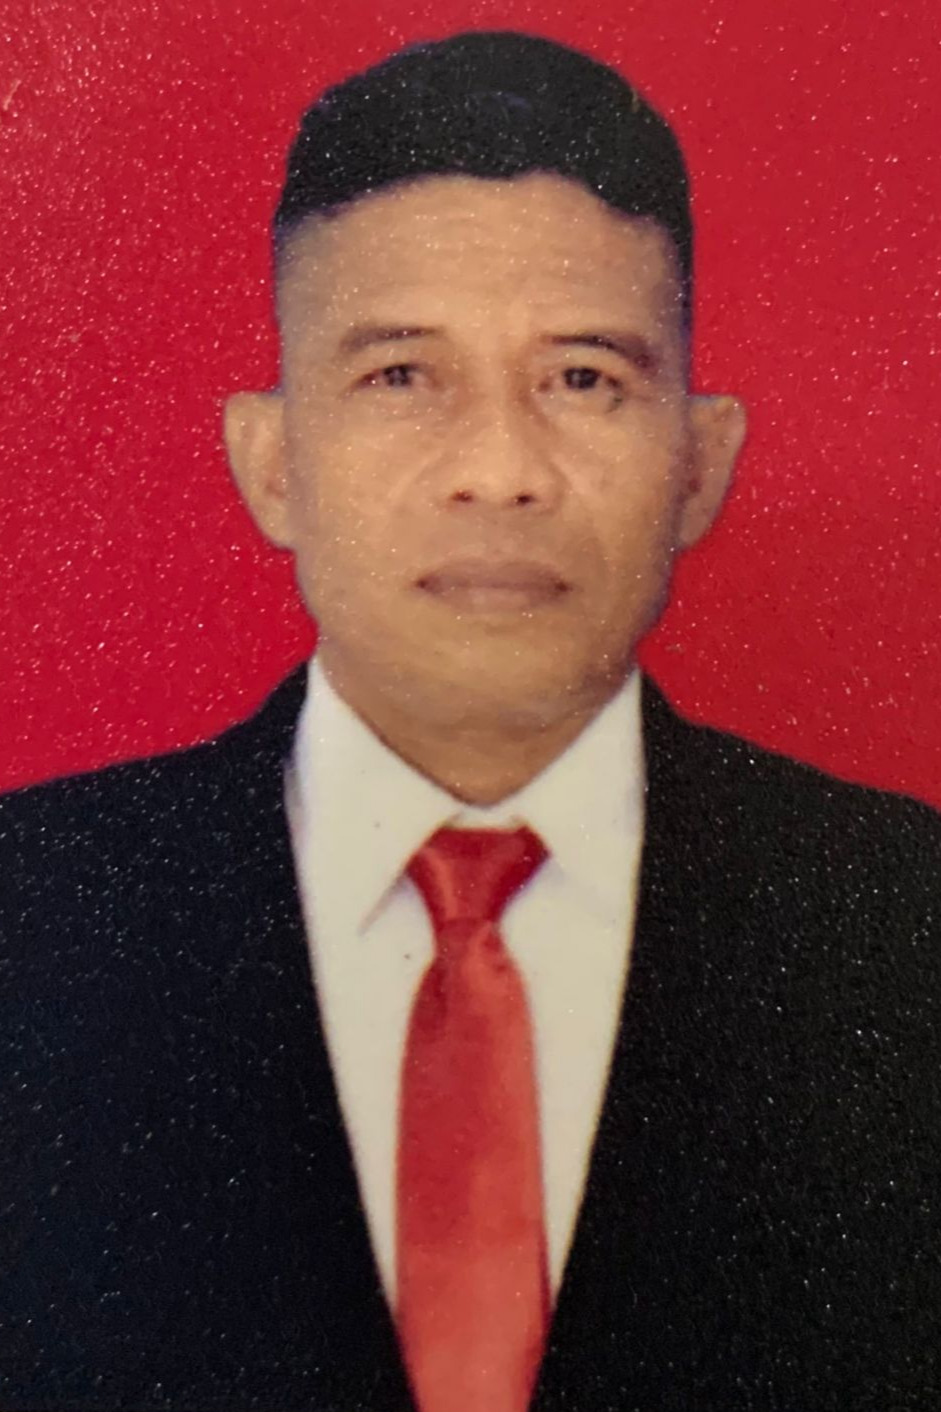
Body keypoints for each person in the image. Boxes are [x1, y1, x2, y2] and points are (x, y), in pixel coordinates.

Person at [1, 29, 940, 1412]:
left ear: (699, 463)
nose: (499, 472)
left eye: (583, 378)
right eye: (399, 376)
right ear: (270, 462)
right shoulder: (30, 913)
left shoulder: (904, 923)